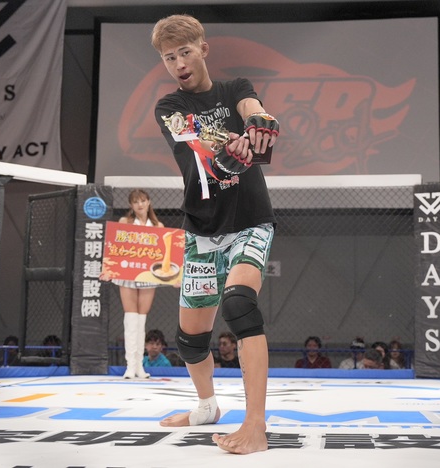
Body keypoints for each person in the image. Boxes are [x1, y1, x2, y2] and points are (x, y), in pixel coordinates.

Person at [152, 14, 279, 454]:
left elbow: (252, 108)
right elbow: (195, 140)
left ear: (203, 49)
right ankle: (207, 407)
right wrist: (231, 144)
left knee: (239, 304)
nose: (179, 64)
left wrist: (259, 121)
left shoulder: (234, 87)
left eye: (185, 52)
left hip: (249, 219)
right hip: (202, 229)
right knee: (190, 341)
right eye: (169, 58)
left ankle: (255, 424)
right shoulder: (169, 106)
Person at [109, 189, 165, 379]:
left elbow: (164, 252)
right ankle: (130, 366)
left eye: (143, 200)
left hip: (148, 274)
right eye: (136, 201)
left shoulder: (157, 225)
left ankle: (139, 366)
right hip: (128, 272)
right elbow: (115, 247)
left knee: (141, 320)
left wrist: (174, 277)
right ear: (131, 205)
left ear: (149, 202)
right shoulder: (125, 222)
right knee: (131, 318)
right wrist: (108, 268)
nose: (140, 204)